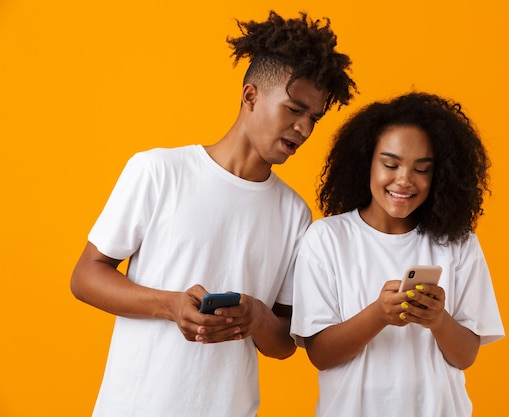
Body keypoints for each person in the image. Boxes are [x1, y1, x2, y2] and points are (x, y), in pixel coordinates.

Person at [70, 10, 356, 417]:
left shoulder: (295, 214)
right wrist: (170, 305)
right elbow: (85, 276)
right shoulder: (159, 171)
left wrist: (256, 315)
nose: (304, 129)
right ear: (251, 95)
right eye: (294, 109)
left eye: (314, 117)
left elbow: (283, 344)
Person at [290, 92, 504, 417]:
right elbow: (320, 354)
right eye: (390, 164)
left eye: (422, 169)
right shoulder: (327, 239)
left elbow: (465, 356)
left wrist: (437, 320)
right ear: (367, 163)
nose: (404, 180)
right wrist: (378, 314)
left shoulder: (458, 242)